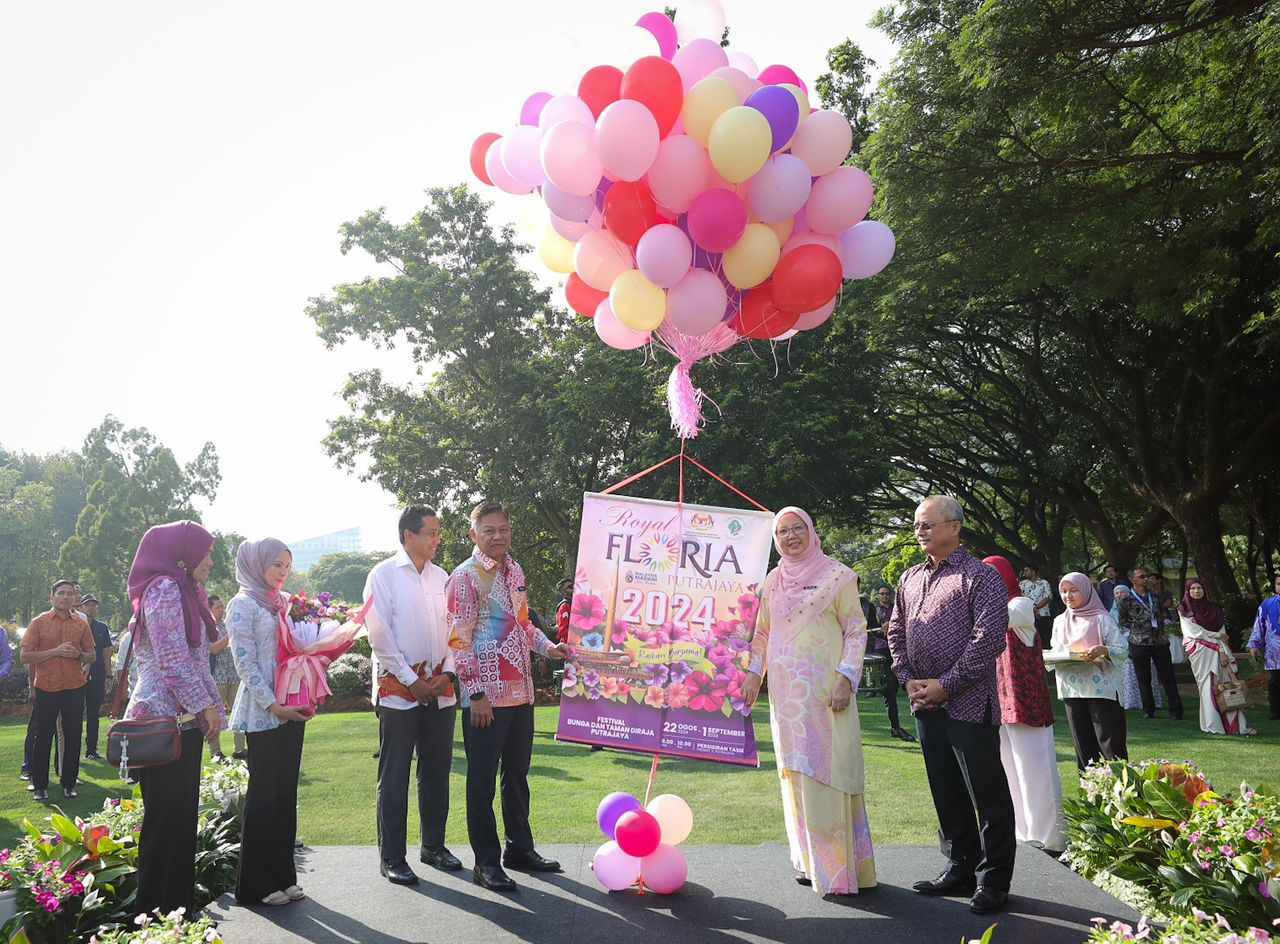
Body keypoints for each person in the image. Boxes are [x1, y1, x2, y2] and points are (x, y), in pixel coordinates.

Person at [884, 496, 1014, 916]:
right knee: (946, 789)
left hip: (970, 703)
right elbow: (896, 631)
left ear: (954, 527)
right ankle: (959, 867)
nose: (918, 532)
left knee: (986, 794)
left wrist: (947, 685)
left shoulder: (982, 578)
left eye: (927, 525)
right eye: (916, 526)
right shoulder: (909, 578)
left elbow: (988, 641)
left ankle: (993, 880)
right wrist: (909, 680)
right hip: (925, 702)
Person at [742, 507, 877, 897]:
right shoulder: (771, 581)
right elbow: (762, 636)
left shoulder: (837, 575)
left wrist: (846, 678)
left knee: (830, 772)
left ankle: (840, 871)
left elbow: (856, 630)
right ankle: (808, 863)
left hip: (826, 694)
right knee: (795, 773)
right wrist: (754, 675)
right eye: (782, 531)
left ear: (812, 531)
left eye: (797, 528)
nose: (790, 536)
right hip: (786, 699)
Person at [447, 500, 570, 892]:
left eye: (503, 529)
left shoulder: (515, 569)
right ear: (474, 535)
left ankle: (520, 850)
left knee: (516, 776)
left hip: (521, 693)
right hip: (486, 697)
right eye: (489, 531)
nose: (497, 536)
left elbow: (522, 624)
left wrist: (550, 648)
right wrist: (476, 692)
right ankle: (486, 863)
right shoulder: (464, 578)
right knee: (481, 782)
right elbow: (458, 640)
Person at [122, 521, 225, 916]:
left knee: (181, 819)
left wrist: (210, 708)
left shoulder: (187, 590)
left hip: (183, 719)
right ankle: (153, 916)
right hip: (163, 721)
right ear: (181, 553)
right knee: (166, 822)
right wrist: (205, 705)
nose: (211, 561)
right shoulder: (165, 589)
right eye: (206, 552)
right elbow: (172, 660)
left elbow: (197, 660)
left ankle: (178, 912)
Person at [363, 505, 459, 887]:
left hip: (440, 688)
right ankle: (392, 857)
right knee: (395, 773)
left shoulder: (442, 576)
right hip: (399, 691)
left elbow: (456, 630)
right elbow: (378, 635)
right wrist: (410, 679)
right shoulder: (383, 575)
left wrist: (448, 670)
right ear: (409, 536)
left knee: (436, 770)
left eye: (438, 533)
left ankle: (433, 846)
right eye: (431, 533)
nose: (437, 539)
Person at [228, 538, 312, 906]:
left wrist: (308, 690)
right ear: (256, 564)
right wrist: (272, 703)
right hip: (263, 712)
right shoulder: (242, 604)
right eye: (276, 564)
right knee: (263, 796)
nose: (282, 572)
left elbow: (304, 650)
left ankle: (283, 875)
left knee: (285, 794)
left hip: (293, 708)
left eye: (287, 566)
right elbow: (243, 663)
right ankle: (256, 885)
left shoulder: (288, 603)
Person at [983, 556, 1065, 853]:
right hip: (1002, 696)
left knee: (1034, 766)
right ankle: (1021, 832)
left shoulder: (1019, 604)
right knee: (1009, 768)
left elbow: (990, 621)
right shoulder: (992, 604)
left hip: (1025, 695)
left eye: (991, 574)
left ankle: (1050, 836)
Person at [20, 579, 95, 800]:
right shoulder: (39, 622)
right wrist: (54, 652)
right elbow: (24, 656)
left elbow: (92, 654)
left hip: (74, 686)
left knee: (73, 736)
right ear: (51, 597)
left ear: (74, 598)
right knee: (43, 736)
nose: (65, 597)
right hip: (47, 686)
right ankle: (40, 784)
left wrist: (79, 656)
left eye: (69, 593)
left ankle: (69, 784)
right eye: (60, 593)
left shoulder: (81, 624)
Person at [1046, 573, 1128, 770]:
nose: (1068, 596)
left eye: (1073, 590)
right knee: (1083, 745)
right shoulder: (1059, 621)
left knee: (1110, 743)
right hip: (1072, 688)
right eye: (1064, 591)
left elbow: (1122, 649)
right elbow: (1056, 649)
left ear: (1086, 590)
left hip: (1102, 688)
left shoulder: (1102, 619)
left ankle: (1123, 793)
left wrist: (1104, 650)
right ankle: (1091, 793)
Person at [1179, 579, 1253, 736]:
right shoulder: (1184, 609)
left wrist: (1221, 647)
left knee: (1228, 685)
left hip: (1220, 650)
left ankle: (1237, 726)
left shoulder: (1214, 609)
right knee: (1207, 686)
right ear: (1188, 591)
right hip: (1201, 652)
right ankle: (1214, 725)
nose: (1197, 591)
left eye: (1200, 588)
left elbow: (1223, 633)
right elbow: (1193, 633)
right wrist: (1217, 638)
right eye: (1193, 588)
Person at [1114, 567, 1183, 720]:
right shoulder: (1125, 599)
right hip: (1139, 642)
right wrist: (1137, 627)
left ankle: (1176, 710)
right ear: (1133, 579)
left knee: (1168, 676)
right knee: (1144, 678)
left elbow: (1162, 613)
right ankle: (1148, 709)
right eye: (1142, 576)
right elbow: (1123, 620)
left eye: (1146, 576)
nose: (1146, 579)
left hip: (1159, 641)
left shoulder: (1156, 596)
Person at [866, 586, 913, 740]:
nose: (884, 596)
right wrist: (882, 628)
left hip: (898, 649)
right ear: (878, 596)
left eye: (887, 594)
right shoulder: (875, 610)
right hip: (882, 650)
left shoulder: (896, 608)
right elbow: (873, 630)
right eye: (882, 594)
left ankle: (896, 727)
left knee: (894, 688)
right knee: (889, 690)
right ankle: (896, 727)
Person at [1112, 585, 1163, 712]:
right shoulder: (1110, 612)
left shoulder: (1135, 606)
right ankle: (1131, 701)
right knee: (1128, 675)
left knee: (1145, 674)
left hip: (1139, 641)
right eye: (1116, 593)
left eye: (1122, 592)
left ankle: (1151, 703)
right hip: (1120, 646)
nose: (1119, 595)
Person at [207, 594, 246, 760]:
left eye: (222, 606)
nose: (221, 610)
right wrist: (230, 635)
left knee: (239, 712)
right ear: (209, 609)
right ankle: (215, 752)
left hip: (233, 675)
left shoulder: (225, 625)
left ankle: (239, 749)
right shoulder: (207, 628)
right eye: (217, 607)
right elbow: (213, 649)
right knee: (214, 717)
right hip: (217, 677)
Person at [79, 593, 114, 761]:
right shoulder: (77, 625)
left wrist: (109, 676)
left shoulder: (102, 628)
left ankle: (91, 749)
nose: (91, 608)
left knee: (93, 714)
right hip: (78, 675)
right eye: (87, 605)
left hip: (98, 675)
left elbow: (106, 652)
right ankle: (72, 750)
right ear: (81, 607)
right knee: (75, 713)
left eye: (93, 605)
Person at [1248, 575, 1280, 721]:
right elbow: (1259, 626)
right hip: (1274, 652)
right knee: (1275, 682)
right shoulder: (1267, 604)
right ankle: (1275, 711)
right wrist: (1254, 644)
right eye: (1279, 584)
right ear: (1275, 586)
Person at [1018, 565, 1053, 648]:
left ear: (1033, 571)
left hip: (1042, 613)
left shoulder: (1044, 583)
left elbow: (1048, 597)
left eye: (1027, 570)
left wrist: (1036, 607)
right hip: (1028, 614)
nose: (1025, 573)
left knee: (1044, 634)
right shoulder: (1023, 584)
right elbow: (1019, 597)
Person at [555, 578, 573, 645]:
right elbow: (563, 631)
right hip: (568, 645)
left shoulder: (574, 604)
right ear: (563, 592)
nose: (574, 588)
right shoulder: (564, 606)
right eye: (570, 587)